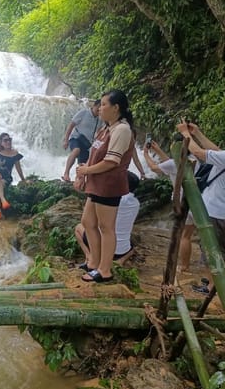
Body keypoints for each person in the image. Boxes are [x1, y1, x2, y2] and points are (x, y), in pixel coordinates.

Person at [76, 90, 135, 283]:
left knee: (106, 227)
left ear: (116, 108)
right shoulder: (107, 128)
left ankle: (105, 270)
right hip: (97, 183)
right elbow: (96, 155)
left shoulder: (122, 130)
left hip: (109, 185)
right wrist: (85, 170)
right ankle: (93, 261)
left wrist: (86, 171)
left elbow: (111, 162)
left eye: (103, 104)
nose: (99, 108)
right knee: (88, 222)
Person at [176, 120, 225, 291]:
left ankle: (213, 287)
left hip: (216, 212)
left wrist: (185, 134)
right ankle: (216, 284)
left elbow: (199, 153)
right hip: (220, 212)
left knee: (210, 249)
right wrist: (197, 133)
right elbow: (216, 152)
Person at [143, 139, 195, 272]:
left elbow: (155, 168)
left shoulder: (174, 163)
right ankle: (186, 263)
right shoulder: (193, 161)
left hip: (182, 202)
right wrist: (159, 151)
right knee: (188, 234)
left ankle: (184, 265)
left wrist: (145, 154)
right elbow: (170, 164)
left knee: (184, 236)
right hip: (195, 203)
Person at [75, 171, 140, 268]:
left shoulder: (111, 198)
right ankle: (120, 261)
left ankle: (90, 257)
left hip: (106, 249)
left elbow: (91, 221)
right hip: (123, 251)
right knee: (129, 243)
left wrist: (81, 178)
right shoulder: (136, 203)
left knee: (79, 228)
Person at [0, 133, 26, 220]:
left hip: (6, 178)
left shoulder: (15, 153)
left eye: (9, 140)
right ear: (1, 142)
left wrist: (23, 179)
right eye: (5, 140)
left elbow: (18, 168)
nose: (8, 142)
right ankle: (2, 201)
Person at [62, 99, 101, 182]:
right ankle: (66, 173)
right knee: (76, 150)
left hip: (87, 144)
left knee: (83, 165)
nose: (99, 110)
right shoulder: (84, 113)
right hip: (76, 138)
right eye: (98, 108)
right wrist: (66, 140)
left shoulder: (100, 119)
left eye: (101, 109)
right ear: (94, 106)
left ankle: (79, 181)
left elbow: (99, 133)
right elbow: (71, 125)